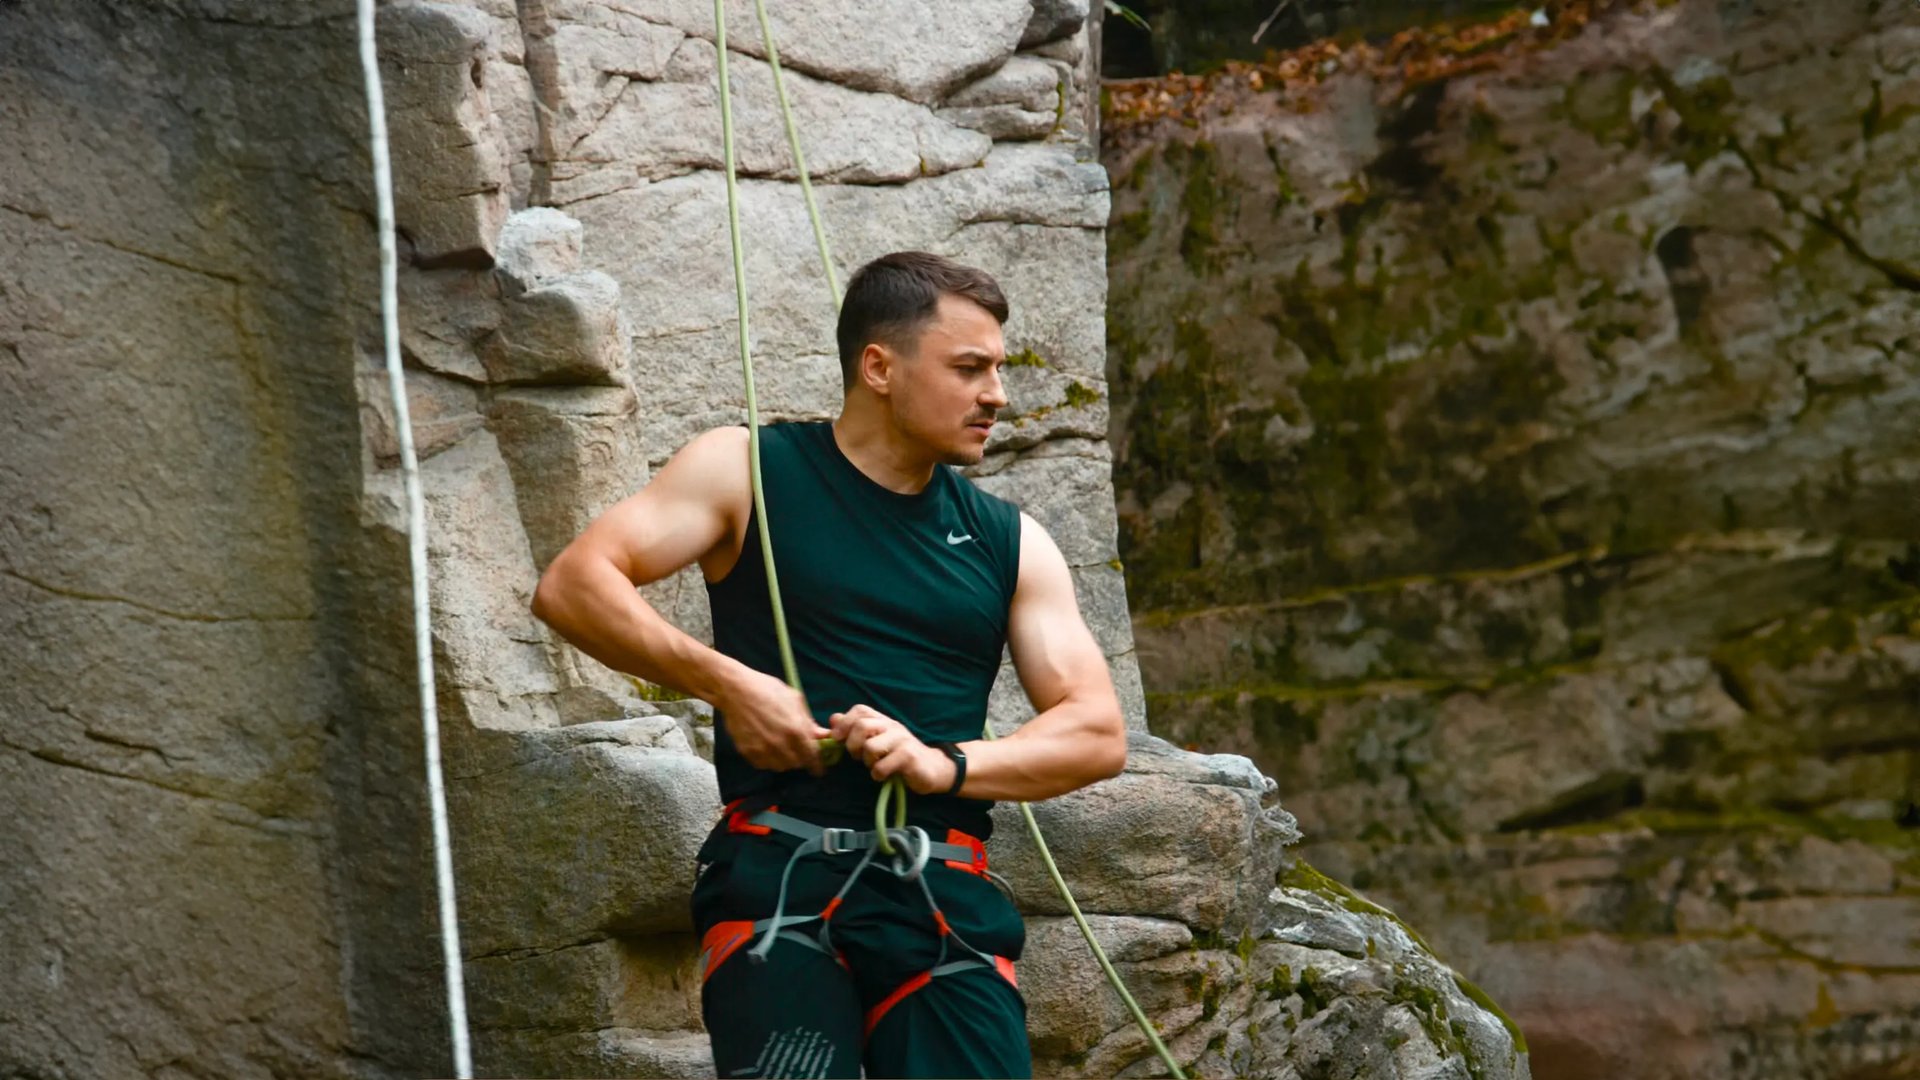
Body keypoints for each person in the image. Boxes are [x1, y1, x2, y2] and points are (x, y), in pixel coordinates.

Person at [531, 251, 1127, 1079]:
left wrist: (944, 764)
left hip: (937, 890)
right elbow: (575, 584)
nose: (997, 394)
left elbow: (1096, 732)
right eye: (969, 368)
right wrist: (732, 684)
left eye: (997, 368)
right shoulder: (748, 469)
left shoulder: (1010, 542)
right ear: (879, 367)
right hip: (779, 885)